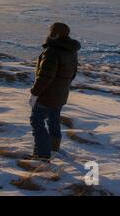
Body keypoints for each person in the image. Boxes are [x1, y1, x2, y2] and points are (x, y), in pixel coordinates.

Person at [29, 23, 81, 162]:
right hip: (61, 94)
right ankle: (53, 147)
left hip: (47, 95)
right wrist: (62, 87)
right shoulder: (71, 50)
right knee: (53, 120)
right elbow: (73, 73)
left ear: (56, 34)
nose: (49, 33)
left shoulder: (52, 51)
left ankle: (42, 155)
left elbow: (45, 77)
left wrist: (35, 94)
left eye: (51, 31)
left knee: (37, 121)